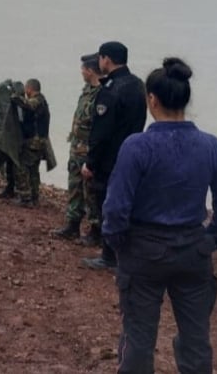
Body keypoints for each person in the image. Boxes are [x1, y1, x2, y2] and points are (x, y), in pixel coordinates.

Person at [103, 57, 217, 374]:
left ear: (151, 100)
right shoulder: (211, 146)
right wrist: (209, 241)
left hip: (143, 252)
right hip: (193, 251)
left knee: (138, 338)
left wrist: (120, 244)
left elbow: (115, 208)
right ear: (184, 98)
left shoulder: (137, 146)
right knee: (196, 340)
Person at [82, 41, 147, 271]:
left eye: (101, 58)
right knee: (127, 205)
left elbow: (101, 132)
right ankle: (126, 253)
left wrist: (90, 162)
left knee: (106, 206)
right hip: (134, 154)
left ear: (106, 59)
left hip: (111, 160)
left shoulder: (110, 89)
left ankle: (109, 256)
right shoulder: (138, 84)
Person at [53, 54, 103, 241]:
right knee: (74, 187)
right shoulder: (87, 90)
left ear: (90, 71)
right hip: (76, 148)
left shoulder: (101, 94)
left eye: (83, 69)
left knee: (89, 191)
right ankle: (72, 224)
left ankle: (96, 230)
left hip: (88, 150)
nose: (81, 72)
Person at [11, 78, 53, 207]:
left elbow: (27, 105)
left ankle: (25, 198)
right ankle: (34, 197)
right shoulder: (43, 101)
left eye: (26, 89)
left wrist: (15, 97)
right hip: (40, 142)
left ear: (29, 89)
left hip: (34, 142)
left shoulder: (38, 100)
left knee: (21, 167)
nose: (25, 91)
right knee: (34, 169)